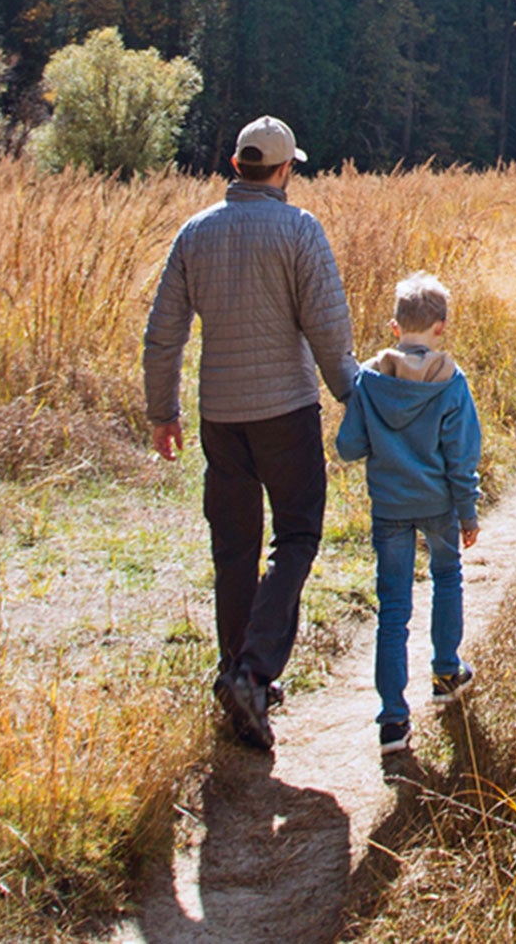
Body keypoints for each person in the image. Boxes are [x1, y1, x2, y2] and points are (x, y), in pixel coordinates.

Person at [143, 116, 358, 752]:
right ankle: (253, 671)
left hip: (220, 417)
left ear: (238, 166)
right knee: (297, 536)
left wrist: (163, 412)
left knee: (233, 547)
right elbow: (328, 329)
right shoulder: (299, 230)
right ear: (285, 169)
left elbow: (163, 334)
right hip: (286, 413)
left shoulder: (196, 233)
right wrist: (356, 398)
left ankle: (234, 675)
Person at [334, 271, 484, 755]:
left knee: (392, 609)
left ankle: (393, 721)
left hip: (390, 509)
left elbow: (349, 447)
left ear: (395, 328)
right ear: (441, 328)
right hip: (439, 506)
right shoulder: (451, 384)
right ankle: (445, 672)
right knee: (446, 579)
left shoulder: (369, 382)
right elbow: (462, 458)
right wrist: (468, 513)